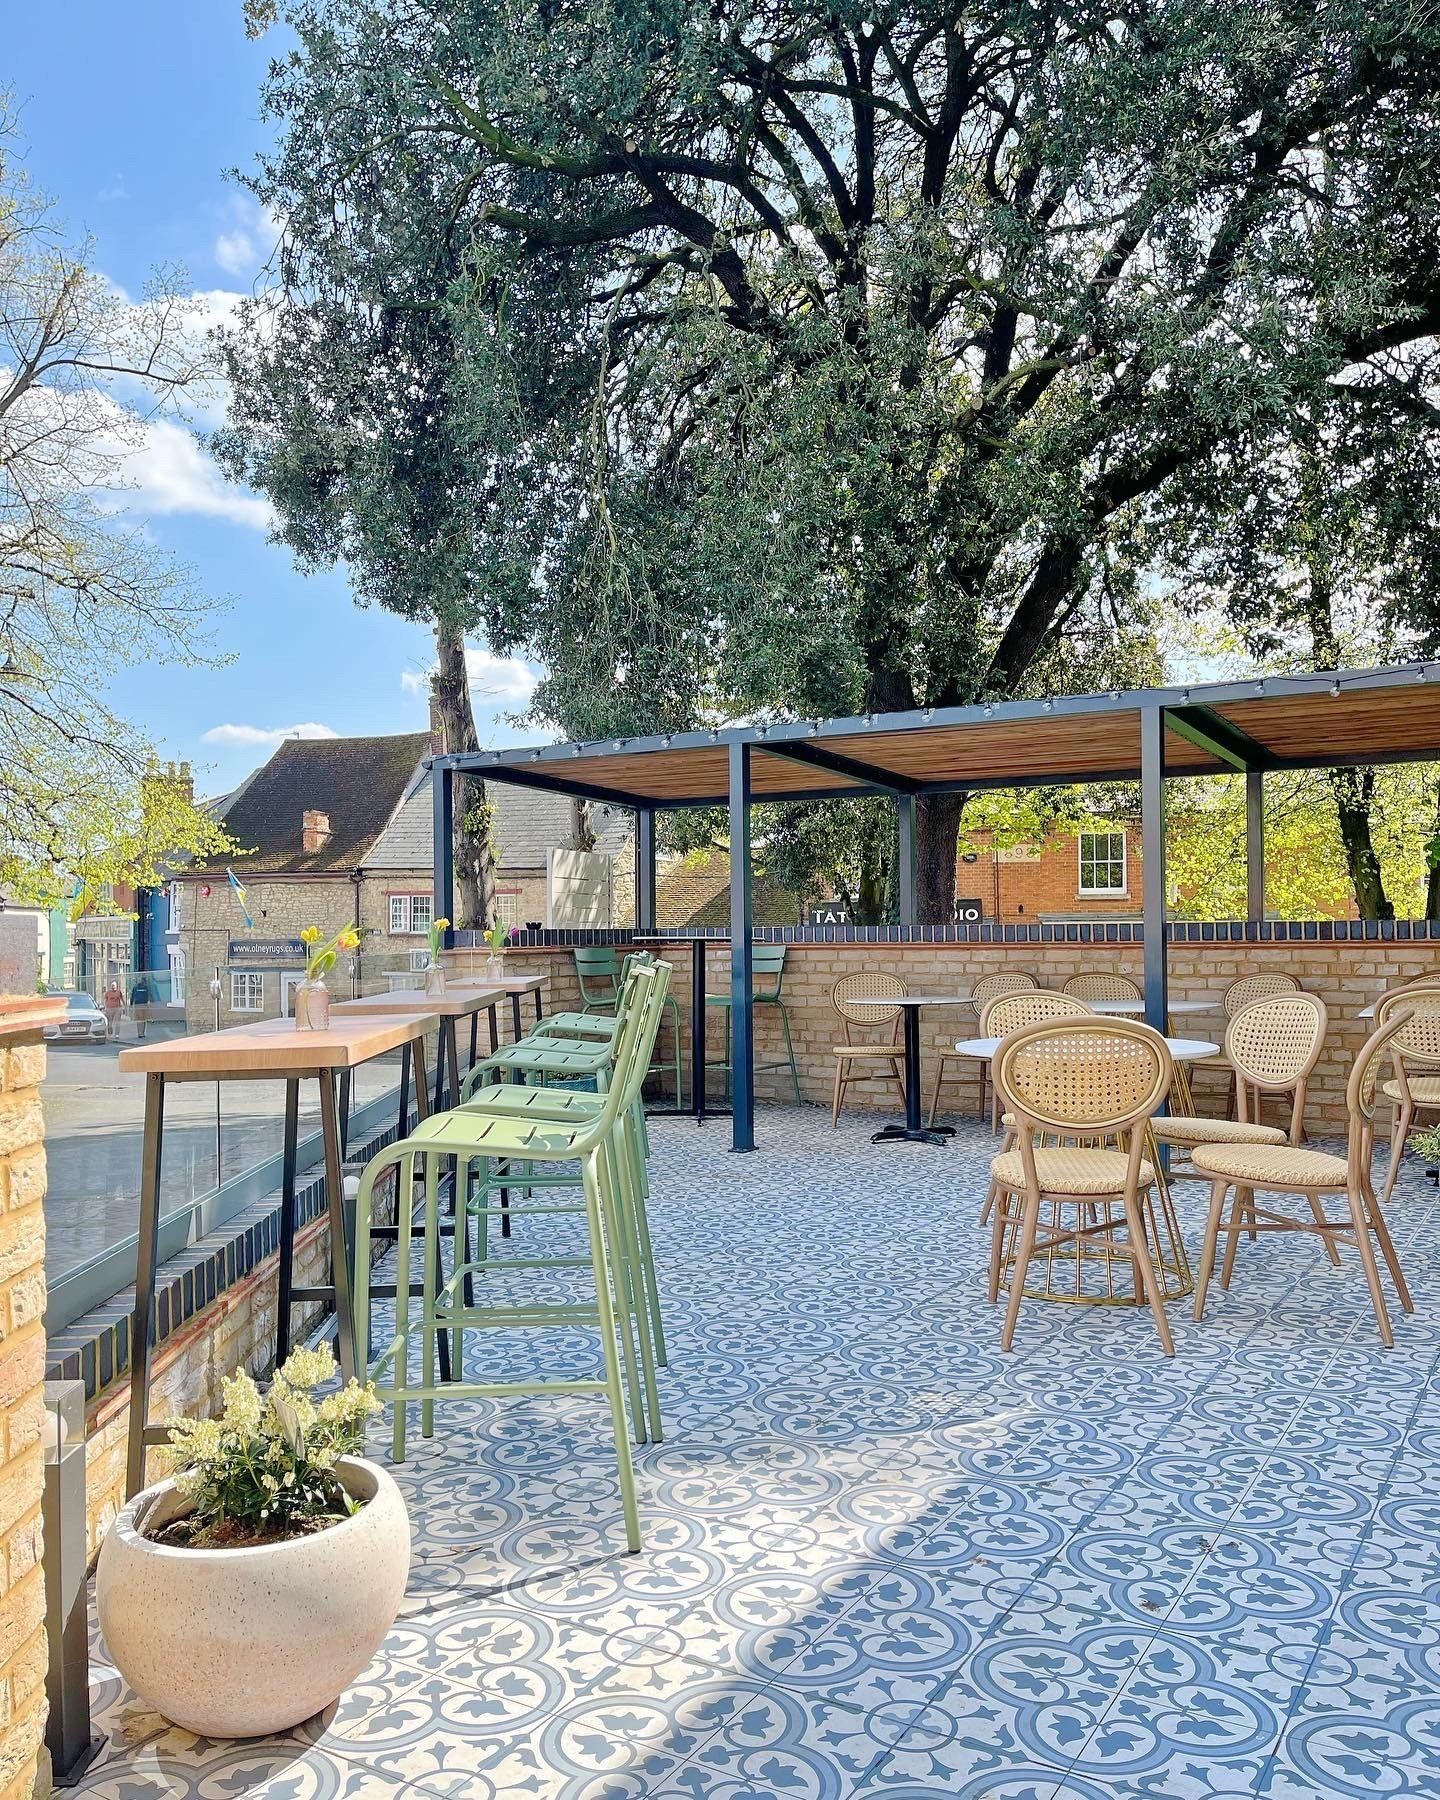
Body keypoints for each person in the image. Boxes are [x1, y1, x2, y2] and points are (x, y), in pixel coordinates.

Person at [101, 976, 124, 1041]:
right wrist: (105, 1007)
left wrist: (123, 1007)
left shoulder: (119, 992)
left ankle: (117, 1034)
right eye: (112, 985)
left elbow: (122, 999)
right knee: (110, 1022)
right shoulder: (108, 992)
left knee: (117, 1022)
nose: (113, 987)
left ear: (116, 986)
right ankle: (110, 1033)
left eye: (114, 985)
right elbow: (105, 1000)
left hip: (117, 1009)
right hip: (109, 1009)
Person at [130, 975, 150, 1040]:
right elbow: (132, 996)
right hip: (137, 1005)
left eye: (140, 979)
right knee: (139, 1020)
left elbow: (148, 996)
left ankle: (143, 1033)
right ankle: (139, 1033)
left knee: (144, 1019)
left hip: (144, 1005)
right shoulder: (135, 987)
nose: (139, 981)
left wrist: (148, 1003)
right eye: (138, 980)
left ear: (142, 980)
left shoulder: (145, 987)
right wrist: (131, 1004)